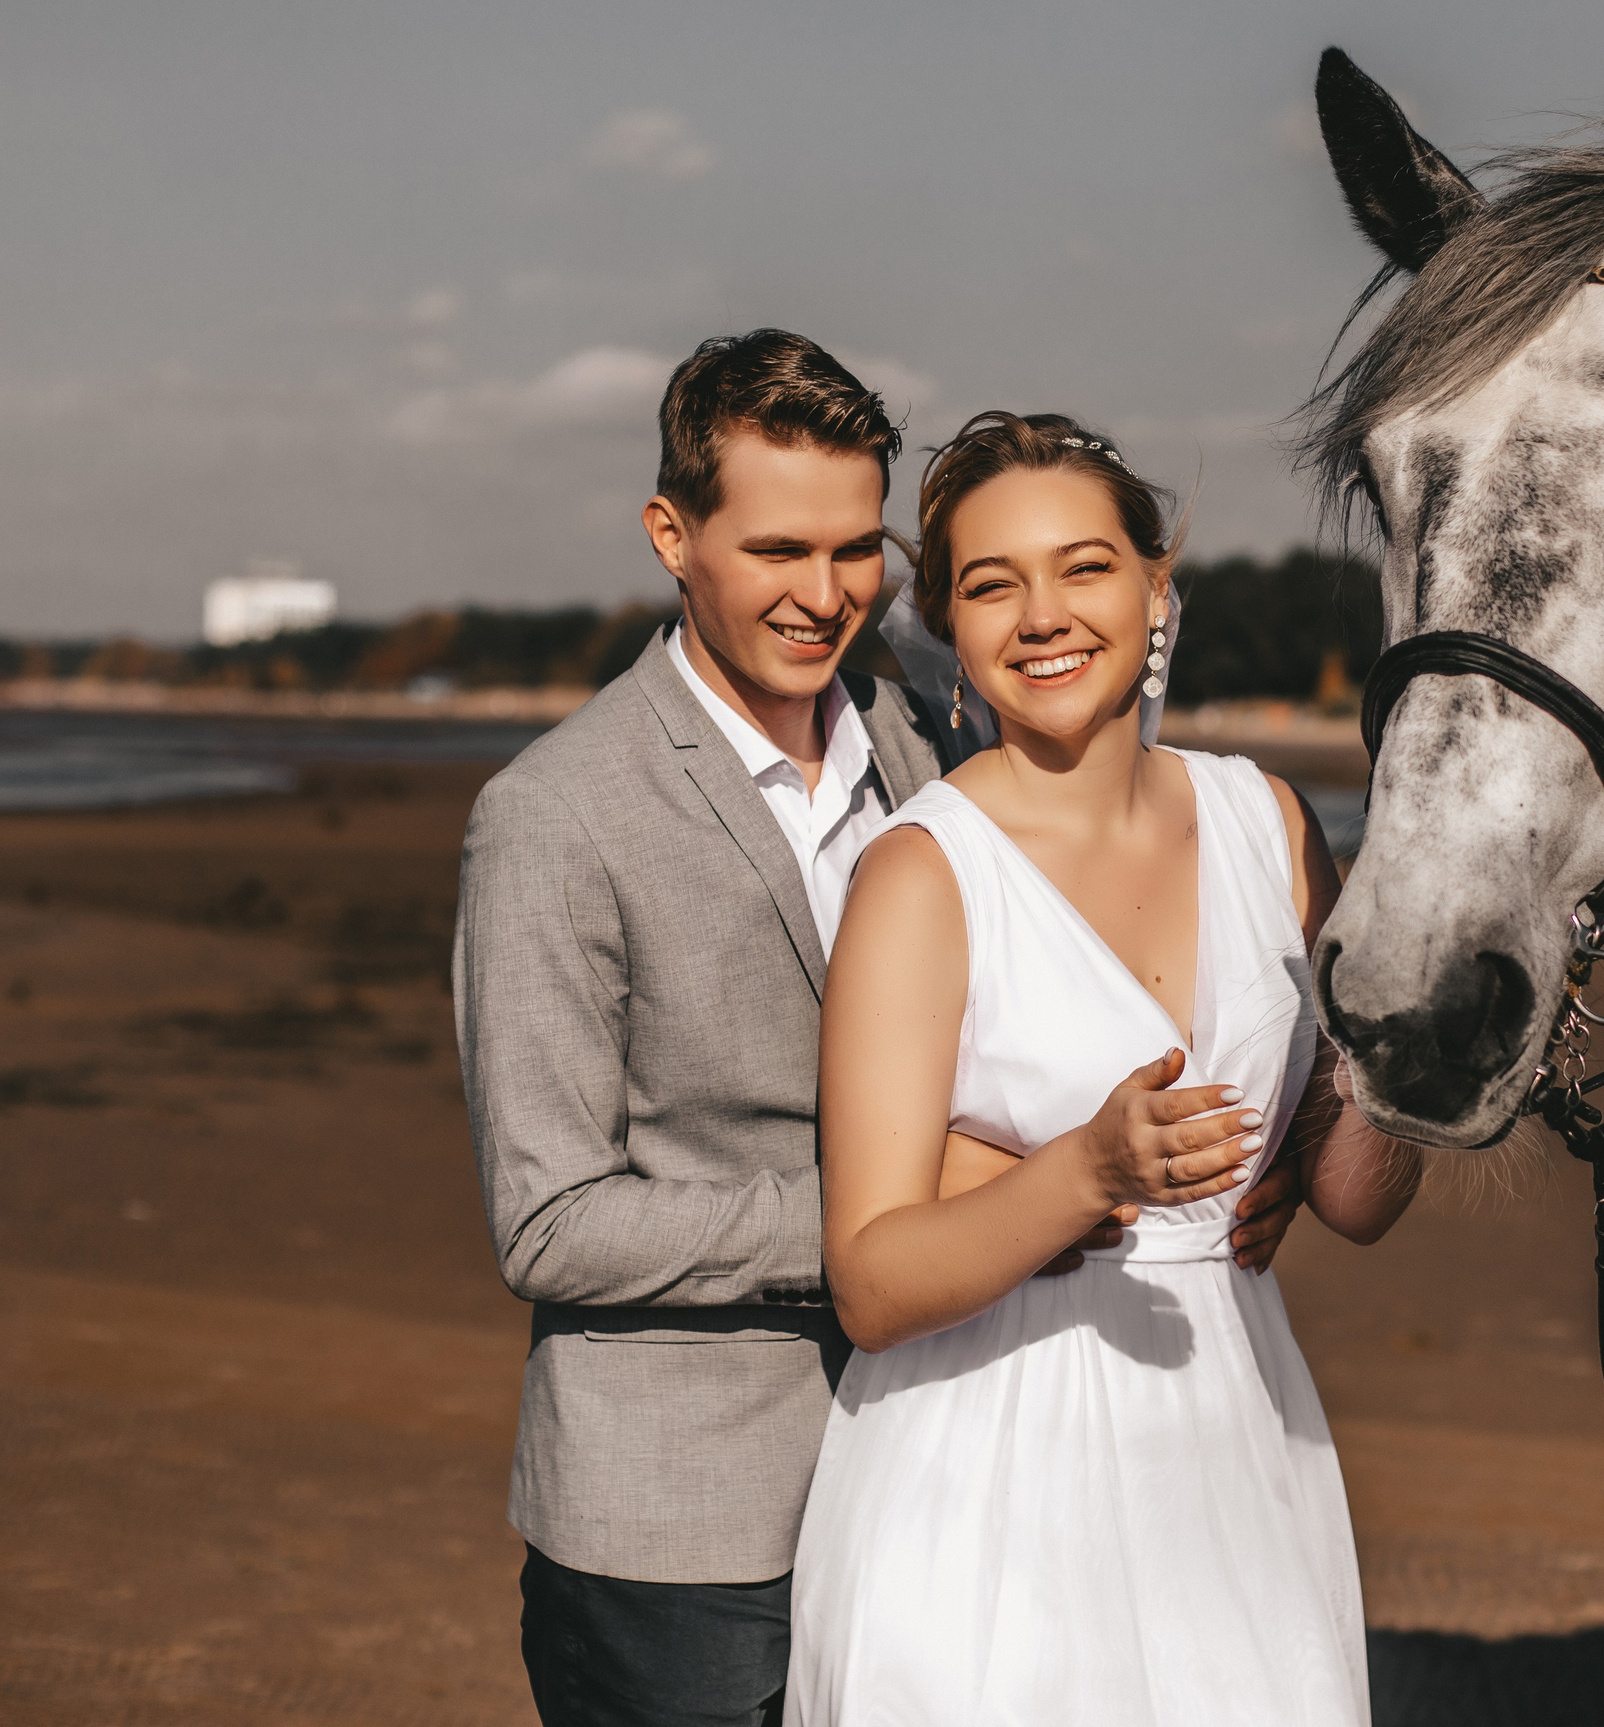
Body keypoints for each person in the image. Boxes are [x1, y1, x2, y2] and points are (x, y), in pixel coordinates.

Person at [453, 339, 1306, 1727]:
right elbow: (549, 1224)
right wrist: (897, 1213)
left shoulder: (934, 747)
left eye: (857, 551)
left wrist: (1270, 1147)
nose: (824, 593)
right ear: (673, 534)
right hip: (688, 1535)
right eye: (779, 547)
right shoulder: (555, 816)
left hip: (958, 1474)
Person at [786, 412, 1421, 1726]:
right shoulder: (921, 874)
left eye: (1082, 567)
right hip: (983, 1471)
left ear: (1154, 586)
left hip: (1235, 1453)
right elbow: (873, 1280)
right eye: (990, 584)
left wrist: (1421, 1037)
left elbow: (1355, 1195)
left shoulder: (1273, 826)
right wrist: (1087, 1170)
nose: (1042, 615)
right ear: (950, 631)